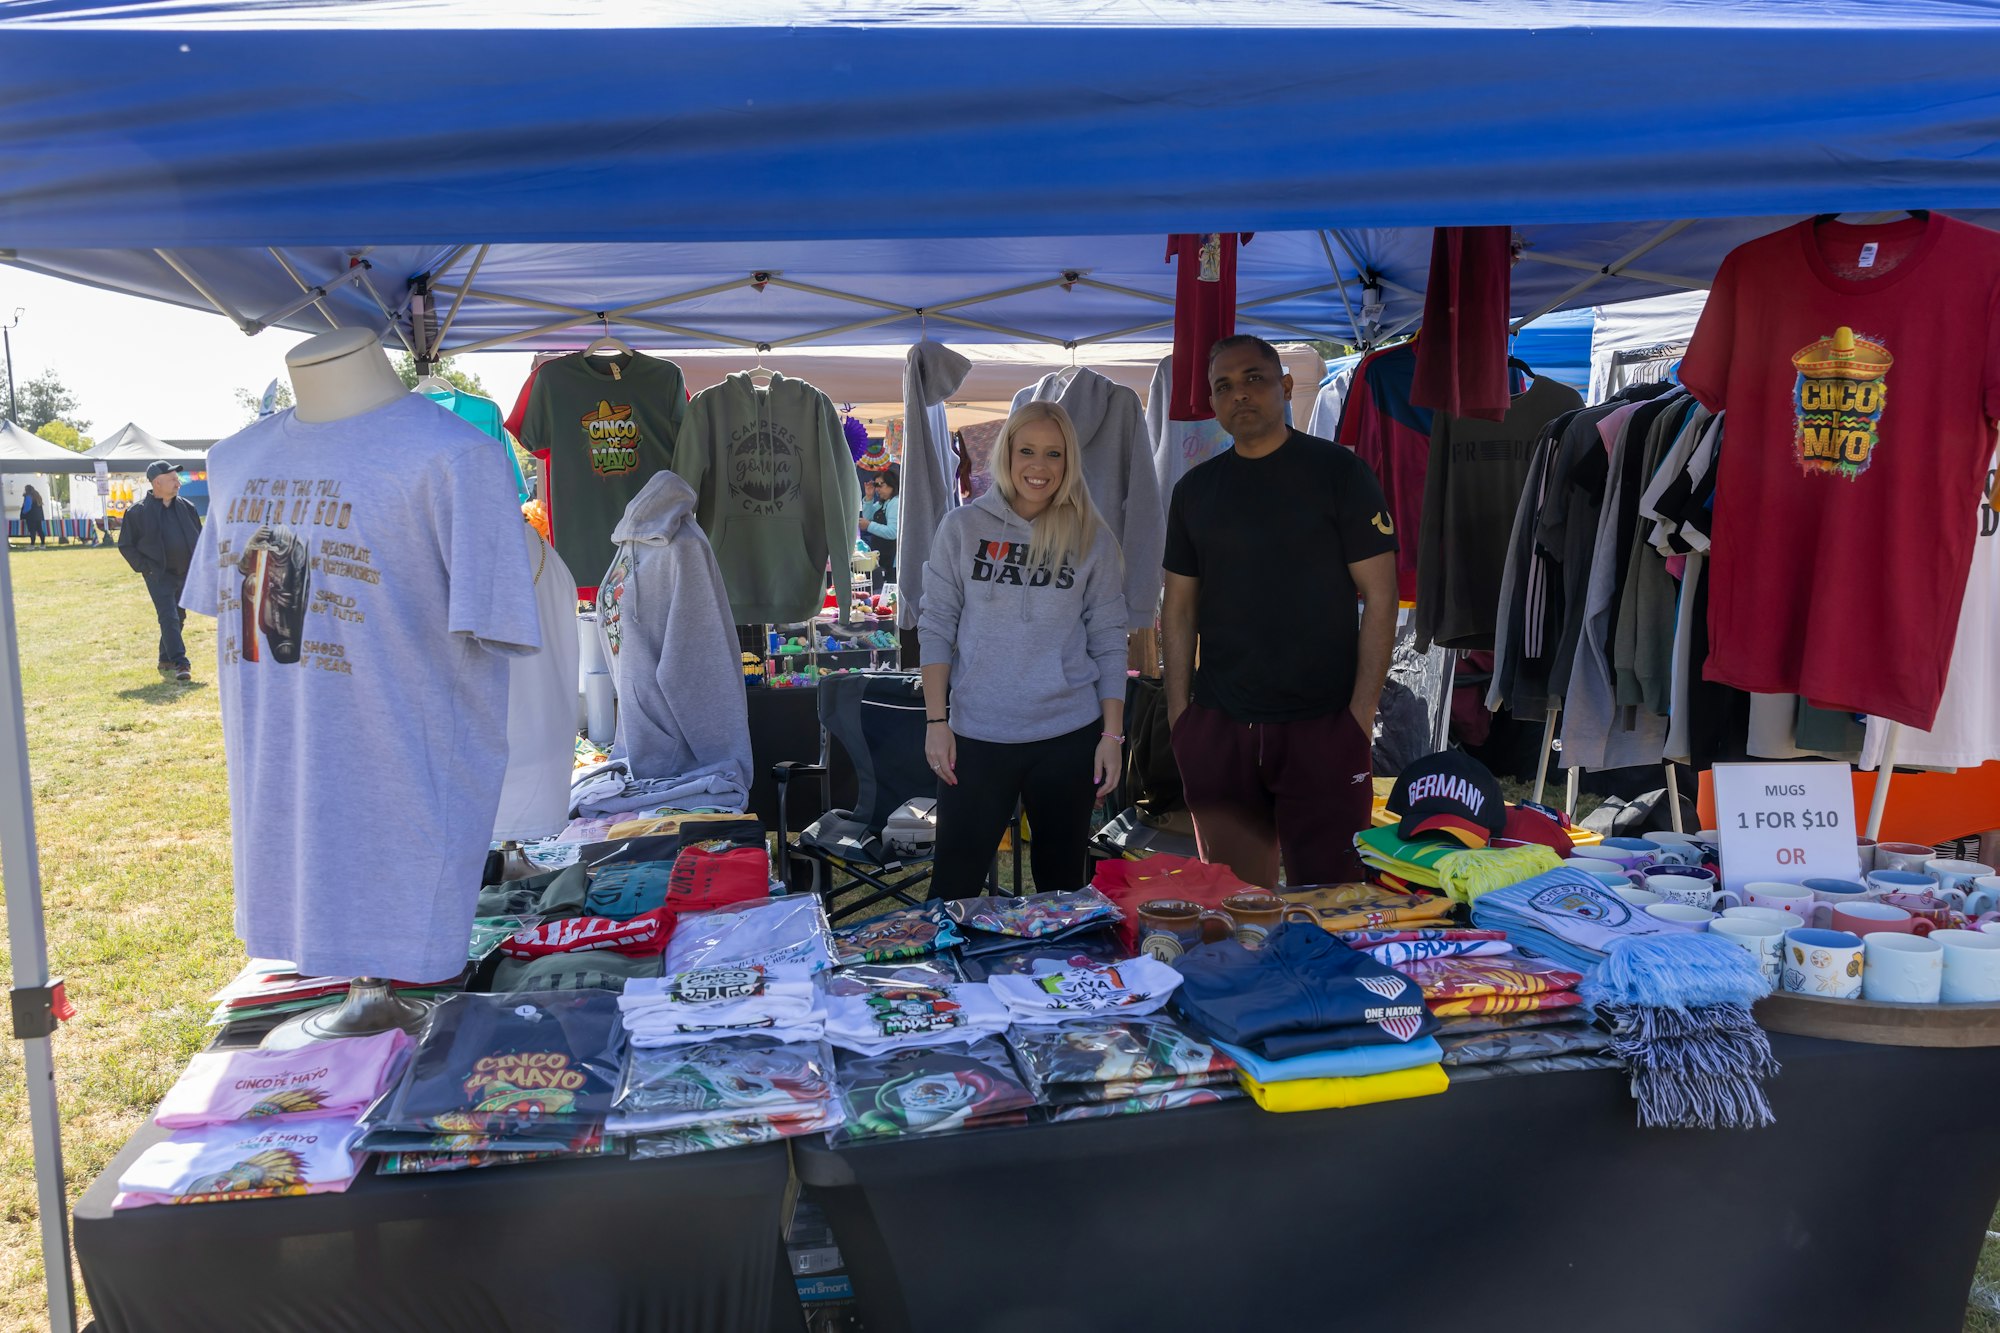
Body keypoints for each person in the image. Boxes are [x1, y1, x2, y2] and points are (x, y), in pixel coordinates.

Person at [1161, 334, 1399, 889]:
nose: (1239, 394)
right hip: (1221, 727)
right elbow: (1177, 608)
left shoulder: (1339, 472)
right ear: (1213, 404)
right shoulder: (1195, 491)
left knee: (1333, 897)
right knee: (1236, 906)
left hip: (1323, 726)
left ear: (1285, 386)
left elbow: (1381, 596)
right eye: (1224, 386)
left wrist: (1360, 715)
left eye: (1253, 379)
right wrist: (1181, 719)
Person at [918, 401, 1128, 898]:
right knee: (954, 887)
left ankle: (1061, 974)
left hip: (1067, 736)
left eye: (1053, 454)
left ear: (1068, 462)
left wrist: (1113, 736)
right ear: (1006, 455)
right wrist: (935, 722)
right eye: (1027, 451)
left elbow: (1108, 639)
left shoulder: (1091, 537)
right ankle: (949, 977)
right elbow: (936, 626)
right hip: (976, 735)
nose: (1039, 467)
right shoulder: (963, 528)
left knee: (1064, 887)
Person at [118, 460, 203, 681]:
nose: (178, 483)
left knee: (179, 616)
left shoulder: (188, 507)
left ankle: (165, 658)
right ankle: (181, 663)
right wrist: (146, 568)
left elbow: (200, 538)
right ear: (158, 482)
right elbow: (126, 545)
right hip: (158, 574)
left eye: (177, 479)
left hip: (185, 572)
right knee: (168, 617)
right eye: (173, 479)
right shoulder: (137, 512)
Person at [857, 468, 900, 591]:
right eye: (875, 485)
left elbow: (893, 532)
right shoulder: (883, 503)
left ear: (892, 485)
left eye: (880, 485)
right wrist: (869, 498)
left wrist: (869, 525)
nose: (877, 489)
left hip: (892, 559)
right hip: (884, 557)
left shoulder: (895, 503)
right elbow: (868, 516)